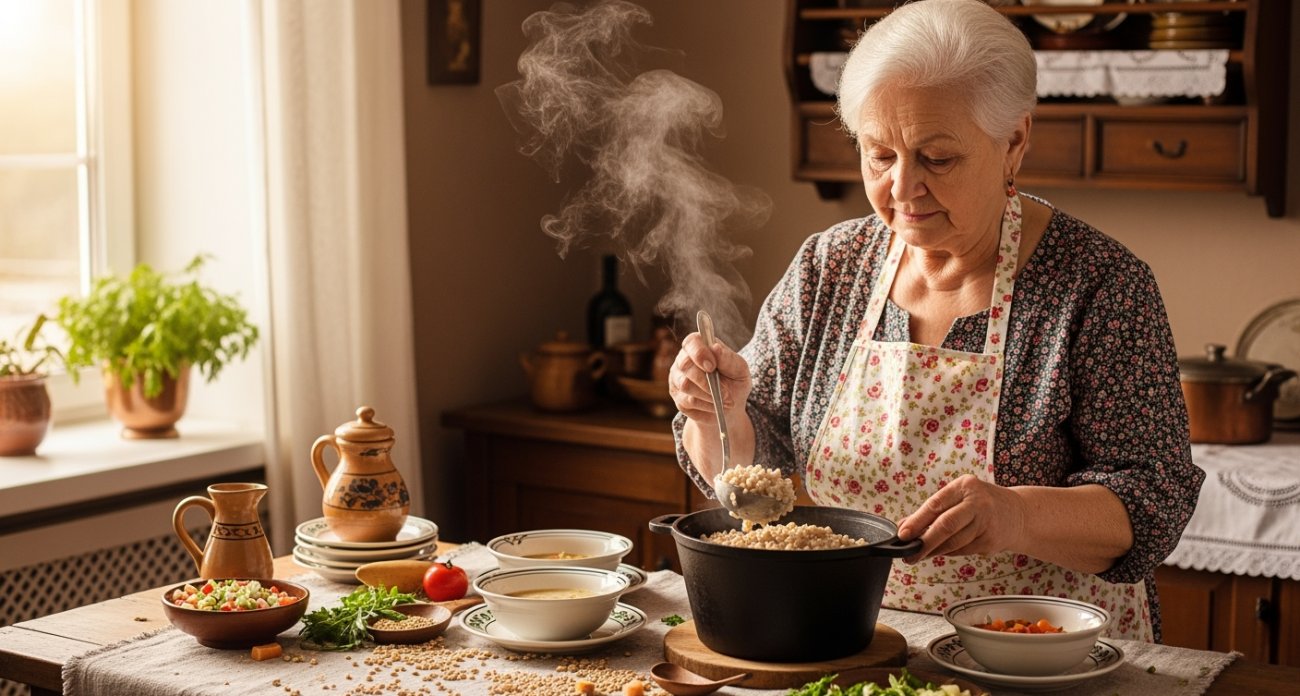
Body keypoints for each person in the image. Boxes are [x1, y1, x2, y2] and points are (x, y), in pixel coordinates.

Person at [668, 0, 1202, 643]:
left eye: (937, 158)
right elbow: (755, 467)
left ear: (1014, 142)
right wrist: (715, 415)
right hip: (854, 638)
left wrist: (1016, 516)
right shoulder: (829, 268)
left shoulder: (1099, 286)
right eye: (879, 155)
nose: (902, 188)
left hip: (1040, 656)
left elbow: (1152, 500)